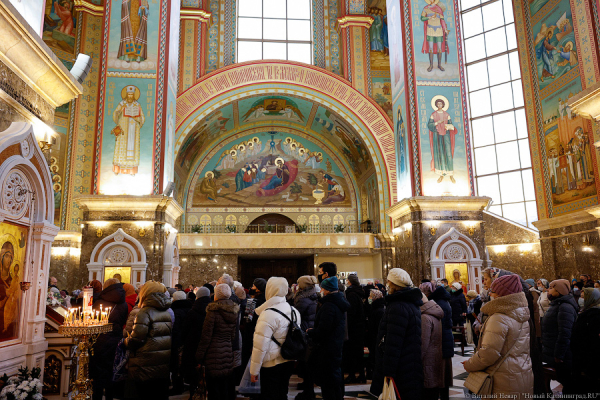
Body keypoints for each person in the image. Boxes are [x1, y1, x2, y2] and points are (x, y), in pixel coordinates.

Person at [463, 274, 533, 399]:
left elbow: (488, 354)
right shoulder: (522, 313)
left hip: (502, 380)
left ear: (501, 294)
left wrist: (469, 364)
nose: (490, 294)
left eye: (493, 291)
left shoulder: (499, 317)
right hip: (522, 373)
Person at [371, 268, 423, 400]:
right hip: (410, 363)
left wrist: (388, 372)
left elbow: (393, 343)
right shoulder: (411, 303)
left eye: (388, 281)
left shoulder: (397, 307)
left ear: (393, 284)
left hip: (400, 367)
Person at [249, 277, 300, 400]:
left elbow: (260, 345)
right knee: (282, 393)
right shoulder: (294, 311)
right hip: (288, 360)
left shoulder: (267, 314)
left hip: (271, 363)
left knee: (270, 395)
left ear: (269, 290)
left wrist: (254, 370)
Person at [125, 281, 173, 400]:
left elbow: (136, 339)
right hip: (161, 365)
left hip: (143, 365)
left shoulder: (144, 312)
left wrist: (125, 341)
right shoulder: (166, 311)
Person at [307, 276, 350, 400]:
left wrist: (311, 332)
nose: (321, 290)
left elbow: (324, 330)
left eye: (322, 288)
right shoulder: (338, 302)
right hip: (335, 344)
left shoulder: (329, 306)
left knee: (328, 380)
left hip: (327, 348)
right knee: (334, 377)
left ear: (327, 290)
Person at [196, 284, 239, 400]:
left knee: (214, 389)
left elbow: (206, 336)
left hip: (213, 354)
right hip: (227, 352)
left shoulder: (213, 311)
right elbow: (233, 335)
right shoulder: (234, 311)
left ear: (217, 295)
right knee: (224, 386)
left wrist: (199, 356)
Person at [90, 278, 128, 400]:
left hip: (100, 340)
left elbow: (93, 321)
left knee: (98, 374)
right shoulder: (123, 303)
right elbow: (123, 321)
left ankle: (97, 397)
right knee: (112, 371)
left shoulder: (100, 302)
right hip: (116, 340)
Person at [541, 279, 578, 391]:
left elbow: (564, 333)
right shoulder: (557, 304)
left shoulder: (564, 307)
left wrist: (559, 355)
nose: (548, 290)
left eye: (551, 288)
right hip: (552, 349)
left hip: (560, 354)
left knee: (567, 382)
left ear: (559, 290)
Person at [423, 281, 453, 400]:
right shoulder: (442, 300)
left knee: (442, 374)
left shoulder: (438, 303)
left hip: (442, 342)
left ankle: (443, 396)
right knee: (443, 374)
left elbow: (440, 326)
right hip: (445, 340)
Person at [181, 287, 211, 395]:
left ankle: (194, 389)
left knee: (193, 370)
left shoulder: (193, 311)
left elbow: (185, 329)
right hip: (208, 344)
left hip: (193, 343)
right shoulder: (212, 309)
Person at [570, 288, 600, 394]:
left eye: (583, 297)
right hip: (581, 356)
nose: (580, 299)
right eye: (580, 297)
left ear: (592, 299)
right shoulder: (584, 313)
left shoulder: (595, 315)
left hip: (589, 359)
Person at [294, 275, 319, 400]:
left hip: (305, 330)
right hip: (310, 329)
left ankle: (308, 390)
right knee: (307, 360)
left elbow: (296, 314)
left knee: (305, 361)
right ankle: (307, 386)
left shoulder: (303, 298)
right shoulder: (313, 295)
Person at [420, 292, 444, 400]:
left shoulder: (425, 317)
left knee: (428, 389)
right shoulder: (434, 312)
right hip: (435, 355)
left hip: (427, 359)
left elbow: (423, 343)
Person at [344, 273, 366, 383]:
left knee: (352, 353)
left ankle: (352, 375)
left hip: (353, 327)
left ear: (350, 281)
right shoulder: (359, 292)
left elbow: (351, 312)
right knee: (358, 353)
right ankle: (361, 375)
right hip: (359, 326)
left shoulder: (351, 294)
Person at [170, 290, 192, 394]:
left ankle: (177, 387)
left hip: (178, 341)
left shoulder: (175, 311)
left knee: (177, 365)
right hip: (189, 341)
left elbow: (175, 328)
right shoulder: (191, 309)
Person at [365, 289, 384, 380]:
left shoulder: (378, 310)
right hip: (373, 336)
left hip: (375, 337)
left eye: (370, 296)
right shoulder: (375, 308)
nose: (369, 298)